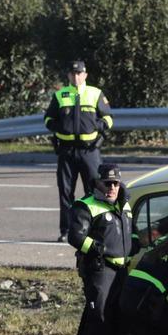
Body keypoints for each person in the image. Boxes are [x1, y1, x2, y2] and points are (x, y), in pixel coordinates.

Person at [67, 163, 131, 335]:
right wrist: (96, 248)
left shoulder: (124, 204)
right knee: (100, 316)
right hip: (100, 269)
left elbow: (129, 233)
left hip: (122, 269)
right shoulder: (86, 206)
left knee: (118, 316)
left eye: (115, 183)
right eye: (107, 183)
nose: (112, 187)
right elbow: (75, 237)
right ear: (98, 183)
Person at [44, 60, 112, 243]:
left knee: (94, 191)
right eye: (73, 74)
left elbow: (108, 119)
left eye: (79, 73)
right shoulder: (60, 95)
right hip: (66, 151)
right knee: (66, 193)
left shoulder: (95, 93)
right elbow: (48, 119)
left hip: (89, 151)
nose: (76, 77)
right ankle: (66, 230)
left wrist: (95, 127)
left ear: (85, 75)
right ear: (68, 76)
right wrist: (60, 127)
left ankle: (95, 229)